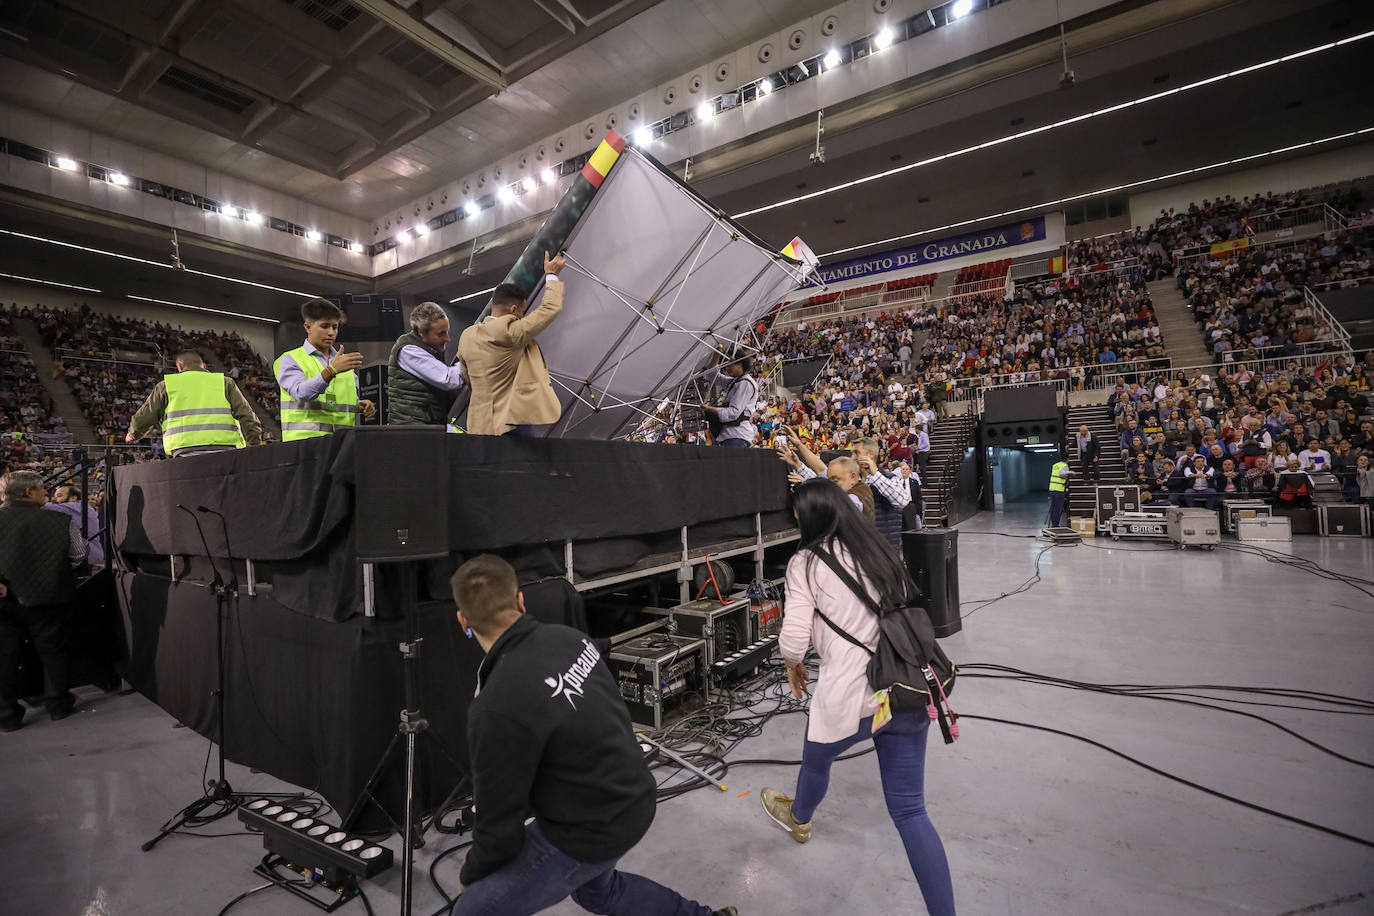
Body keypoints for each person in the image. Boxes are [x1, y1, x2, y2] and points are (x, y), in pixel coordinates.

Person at [448, 555, 736, 916]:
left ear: (464, 622)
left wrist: (473, 870)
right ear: (520, 600)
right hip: (636, 792)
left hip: (590, 826)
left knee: (473, 910)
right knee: (599, 892)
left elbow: (498, 826)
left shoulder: (493, 706)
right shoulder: (570, 639)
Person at [760, 478, 955, 916]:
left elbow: (793, 641)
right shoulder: (878, 548)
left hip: (852, 693)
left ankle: (800, 819)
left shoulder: (805, 563)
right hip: (905, 685)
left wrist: (793, 664)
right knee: (910, 812)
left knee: (816, 759)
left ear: (809, 519)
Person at [0, 471, 83, 731]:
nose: (45, 493)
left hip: (5, 601)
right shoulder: (60, 519)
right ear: (28, 493)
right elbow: (79, 555)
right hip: (49, 598)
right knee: (53, 651)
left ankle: (6, 716)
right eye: (42, 489)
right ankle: (58, 705)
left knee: (4, 656)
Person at [458, 252, 567, 436]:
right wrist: (551, 275)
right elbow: (550, 308)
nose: (522, 317)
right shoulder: (510, 332)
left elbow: (466, 376)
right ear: (514, 310)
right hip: (510, 423)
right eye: (522, 312)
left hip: (478, 425)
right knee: (520, 465)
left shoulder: (467, 336)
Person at [125, 350, 262, 456]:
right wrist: (255, 442)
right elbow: (246, 414)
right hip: (225, 451)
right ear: (204, 366)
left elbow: (145, 416)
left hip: (184, 452)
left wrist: (133, 435)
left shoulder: (166, 385)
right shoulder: (225, 382)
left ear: (179, 366)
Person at [275, 299, 376, 440]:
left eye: (335, 327)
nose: (331, 332)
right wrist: (331, 371)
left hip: (343, 444)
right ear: (308, 327)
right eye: (325, 326)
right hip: (305, 446)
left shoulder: (344, 365)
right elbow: (300, 393)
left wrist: (360, 405)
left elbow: (339, 404)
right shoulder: (289, 360)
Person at [387, 302, 465, 425]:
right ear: (422, 332)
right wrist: (471, 359)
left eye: (446, 332)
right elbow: (449, 380)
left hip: (426, 425)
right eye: (441, 334)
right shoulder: (408, 350)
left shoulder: (431, 350)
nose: (447, 338)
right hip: (413, 429)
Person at [850, 437, 912, 549]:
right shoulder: (852, 482)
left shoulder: (890, 478)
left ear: (870, 455)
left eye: (856, 453)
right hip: (860, 550)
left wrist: (875, 474)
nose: (852, 457)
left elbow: (902, 501)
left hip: (885, 552)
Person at [701, 355, 758, 448]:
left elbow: (733, 412)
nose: (726, 368)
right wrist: (716, 355)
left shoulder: (745, 383)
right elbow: (712, 376)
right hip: (729, 435)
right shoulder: (735, 381)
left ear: (739, 364)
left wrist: (709, 409)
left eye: (729, 365)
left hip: (737, 435)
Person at [44, 485, 104, 567]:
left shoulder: (76, 507)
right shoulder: (82, 507)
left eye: (59, 496)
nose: (55, 499)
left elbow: (44, 506)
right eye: (54, 496)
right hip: (93, 556)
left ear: (73, 498)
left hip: (88, 559)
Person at [1048, 456, 1072, 526]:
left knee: (1053, 508)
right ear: (1067, 460)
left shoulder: (1055, 465)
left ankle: (1054, 523)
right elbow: (1061, 473)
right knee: (1058, 509)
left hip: (1052, 489)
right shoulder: (1064, 465)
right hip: (1059, 490)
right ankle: (1056, 524)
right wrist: (1071, 472)